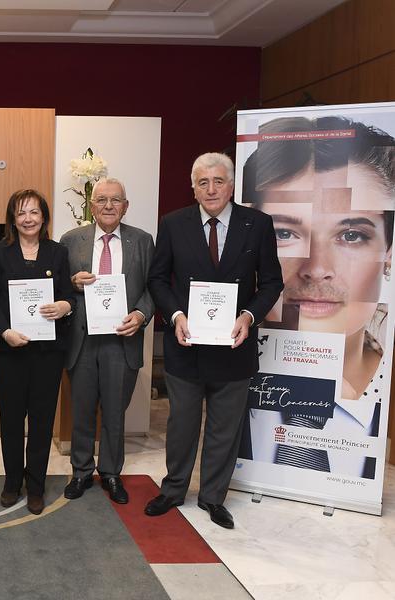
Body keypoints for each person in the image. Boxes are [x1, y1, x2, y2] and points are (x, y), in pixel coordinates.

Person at [239, 115, 393, 477]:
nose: (315, 267)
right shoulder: (228, 389)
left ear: (389, 252)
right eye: (284, 234)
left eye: (352, 234)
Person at [146, 152, 283, 529]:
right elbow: (158, 279)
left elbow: (272, 282)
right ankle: (173, 491)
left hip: (234, 349)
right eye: (203, 182)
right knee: (182, 426)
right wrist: (175, 315)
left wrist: (248, 316)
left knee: (225, 429)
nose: (211, 189)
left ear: (232, 185)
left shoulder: (258, 224)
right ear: (193, 188)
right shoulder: (174, 224)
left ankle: (212, 497)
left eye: (218, 181)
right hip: (186, 345)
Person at [60, 177, 155, 504]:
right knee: (82, 410)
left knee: (115, 413)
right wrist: (72, 282)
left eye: (116, 200)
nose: (109, 206)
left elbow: (152, 289)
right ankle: (81, 471)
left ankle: (111, 473)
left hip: (121, 340)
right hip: (83, 340)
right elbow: (60, 288)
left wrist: (141, 316)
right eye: (102, 200)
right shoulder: (71, 240)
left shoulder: (142, 241)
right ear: (91, 205)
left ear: (125, 207)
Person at [0, 189, 75, 515]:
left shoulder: (58, 253)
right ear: (12, 219)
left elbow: (69, 296)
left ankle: (35, 486)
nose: (28, 219)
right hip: (9, 351)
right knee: (10, 421)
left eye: (34, 212)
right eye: (21, 213)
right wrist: (3, 331)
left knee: (41, 420)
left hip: (48, 353)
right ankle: (11, 482)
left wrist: (64, 306)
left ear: (44, 217)